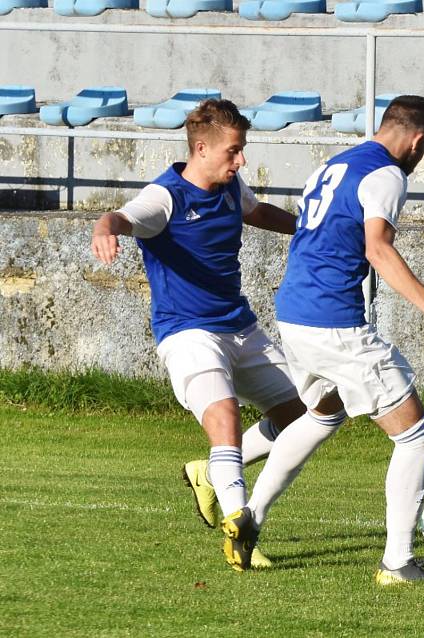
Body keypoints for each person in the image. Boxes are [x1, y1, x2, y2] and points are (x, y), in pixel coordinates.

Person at [223, 95, 424, 584]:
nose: (419, 162)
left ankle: (249, 515)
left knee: (324, 414)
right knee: (416, 434)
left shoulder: (334, 164)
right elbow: (378, 248)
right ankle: (397, 562)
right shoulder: (387, 175)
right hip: (333, 322)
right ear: (417, 141)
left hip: (294, 312)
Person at [90, 99, 307, 570]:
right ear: (202, 148)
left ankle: (210, 475)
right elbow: (122, 218)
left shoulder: (230, 188)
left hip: (239, 326)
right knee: (224, 416)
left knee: (305, 412)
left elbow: (258, 212)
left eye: (242, 150)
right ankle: (238, 527)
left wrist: (311, 229)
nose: (241, 160)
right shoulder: (165, 197)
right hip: (188, 334)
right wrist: (104, 228)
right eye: (234, 151)